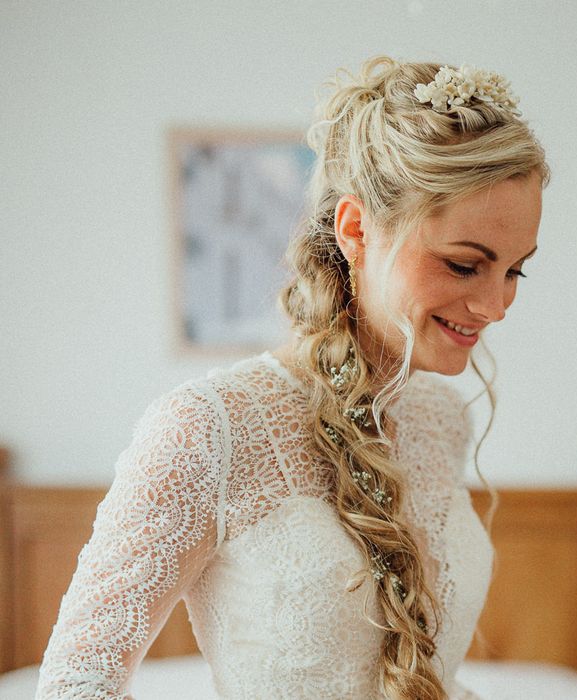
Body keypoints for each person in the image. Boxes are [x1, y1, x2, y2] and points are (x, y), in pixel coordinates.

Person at [35, 55, 547, 700]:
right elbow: (76, 685)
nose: (497, 306)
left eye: (516, 271)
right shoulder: (210, 428)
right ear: (356, 229)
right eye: (464, 265)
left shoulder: (442, 418)